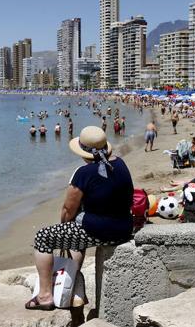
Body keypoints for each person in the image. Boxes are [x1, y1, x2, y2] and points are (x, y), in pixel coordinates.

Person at [26, 126, 133, 311]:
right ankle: (74, 284)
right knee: (79, 226)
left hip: (102, 231)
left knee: (43, 237)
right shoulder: (121, 164)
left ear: (84, 152)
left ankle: (44, 296)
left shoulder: (83, 173)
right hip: (124, 227)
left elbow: (68, 209)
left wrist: (64, 231)